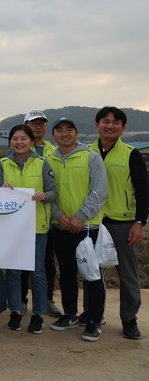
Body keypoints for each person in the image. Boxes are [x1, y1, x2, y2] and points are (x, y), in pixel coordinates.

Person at [46, 118, 108, 342]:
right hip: (61, 226)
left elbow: (99, 191)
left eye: (69, 129)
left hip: (88, 227)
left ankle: (94, 321)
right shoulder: (48, 160)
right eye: (59, 130)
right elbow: (46, 192)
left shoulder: (91, 156)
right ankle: (70, 315)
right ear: (53, 135)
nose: (64, 134)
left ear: (76, 133)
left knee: (92, 275)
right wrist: (58, 215)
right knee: (67, 273)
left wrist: (80, 217)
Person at [90, 106, 147, 340]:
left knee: (128, 274)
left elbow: (143, 191)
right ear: (97, 125)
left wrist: (140, 222)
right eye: (105, 121)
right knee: (93, 273)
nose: (110, 126)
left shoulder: (131, 154)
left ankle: (129, 319)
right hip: (93, 222)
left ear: (123, 127)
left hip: (123, 223)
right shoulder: (86, 152)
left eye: (116, 122)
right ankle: (94, 316)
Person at [0, 124, 57, 334]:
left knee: (37, 272)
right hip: (12, 228)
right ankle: (15, 311)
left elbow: (53, 191)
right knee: (13, 272)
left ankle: (38, 314)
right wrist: (2, 190)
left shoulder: (42, 163)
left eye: (23, 138)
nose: (19, 142)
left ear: (31, 141)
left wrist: (44, 196)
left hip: (37, 227)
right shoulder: (3, 163)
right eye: (15, 138)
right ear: (10, 142)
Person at [22, 110, 61, 318]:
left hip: (47, 218)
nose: (38, 126)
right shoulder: (15, 150)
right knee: (19, 262)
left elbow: (54, 187)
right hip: (20, 220)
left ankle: (46, 300)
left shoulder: (53, 152)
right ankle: (20, 300)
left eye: (41, 123)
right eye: (33, 123)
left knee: (47, 262)